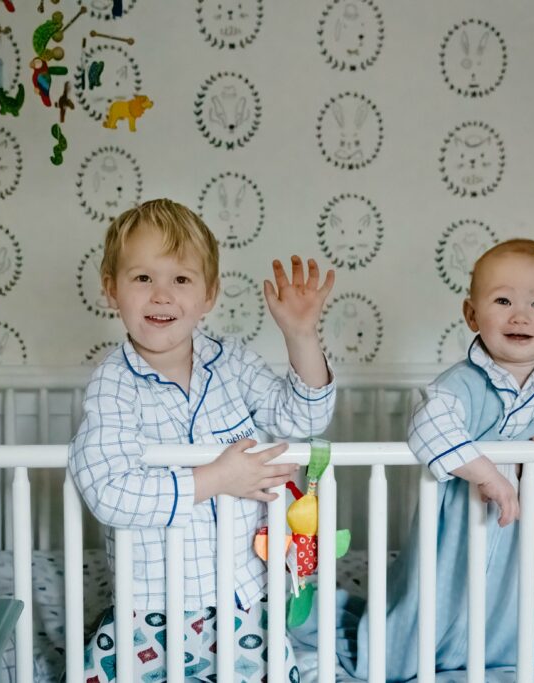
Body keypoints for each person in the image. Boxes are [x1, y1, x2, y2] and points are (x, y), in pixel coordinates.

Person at [292, 238, 534, 680]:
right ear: (471, 315)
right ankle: (425, 652)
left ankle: (521, 659)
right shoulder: (463, 383)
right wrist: (485, 473)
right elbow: (428, 425)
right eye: (502, 300)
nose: (520, 315)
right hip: (466, 534)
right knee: (439, 607)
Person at [68, 198, 337, 682]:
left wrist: (301, 336)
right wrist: (216, 478)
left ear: (209, 294)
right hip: (151, 604)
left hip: (243, 594)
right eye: (143, 278)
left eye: (181, 279)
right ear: (111, 290)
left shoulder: (232, 363)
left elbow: (304, 419)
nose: (161, 295)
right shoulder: (112, 385)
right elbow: (108, 490)